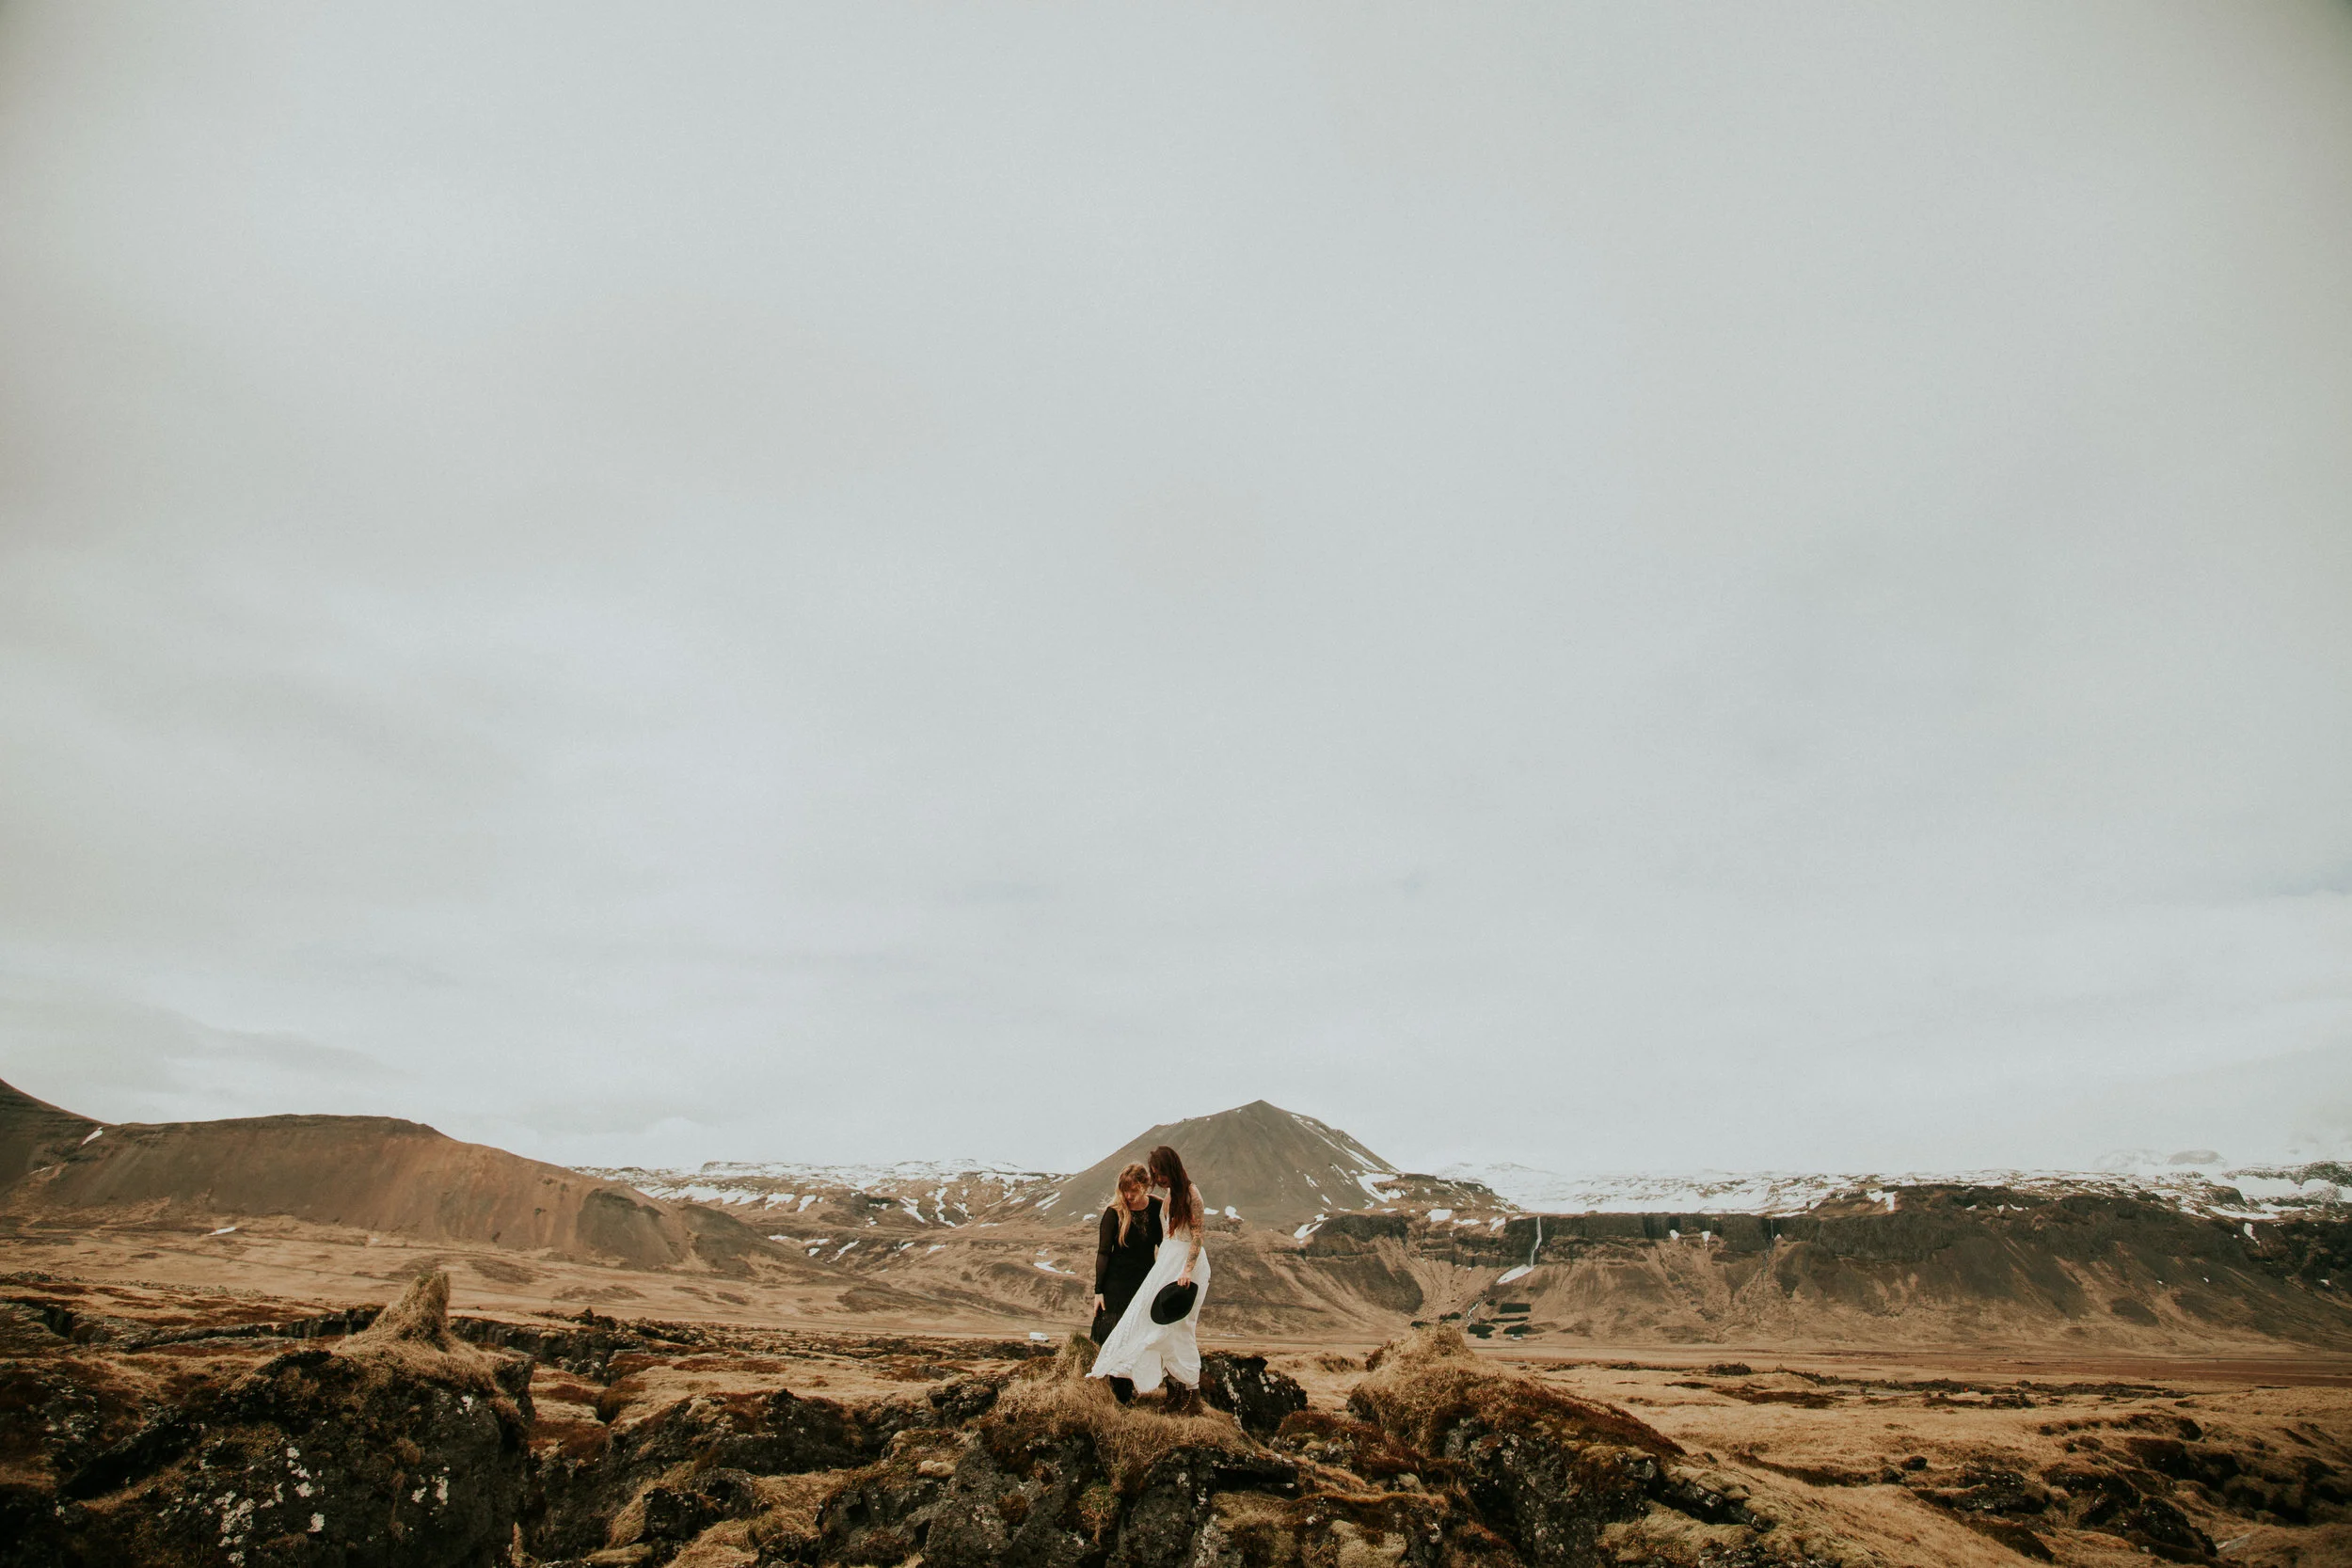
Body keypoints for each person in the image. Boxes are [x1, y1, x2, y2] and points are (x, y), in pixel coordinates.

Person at [1087, 1144, 1211, 1413]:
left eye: (1161, 1173)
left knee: (1179, 1329)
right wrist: (1099, 1290)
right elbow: (1104, 1252)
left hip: (1174, 1271)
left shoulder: (1186, 1196)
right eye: (1155, 1174)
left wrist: (1186, 1270)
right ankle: (1173, 1393)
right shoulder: (1165, 1198)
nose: (1159, 1179)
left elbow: (1197, 1236)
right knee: (1158, 1330)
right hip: (1149, 1274)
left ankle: (1190, 1395)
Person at [1089, 1163, 1160, 1404]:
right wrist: (1099, 1291)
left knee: (1137, 1337)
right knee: (1111, 1335)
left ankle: (1129, 1393)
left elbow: (1166, 1243)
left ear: (1145, 1186)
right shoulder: (1114, 1212)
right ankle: (1104, 1393)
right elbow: (1103, 1253)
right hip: (1115, 1286)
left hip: (1143, 1284)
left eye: (1134, 1190)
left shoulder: (1157, 1209)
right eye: (1124, 1190)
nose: (1128, 1196)